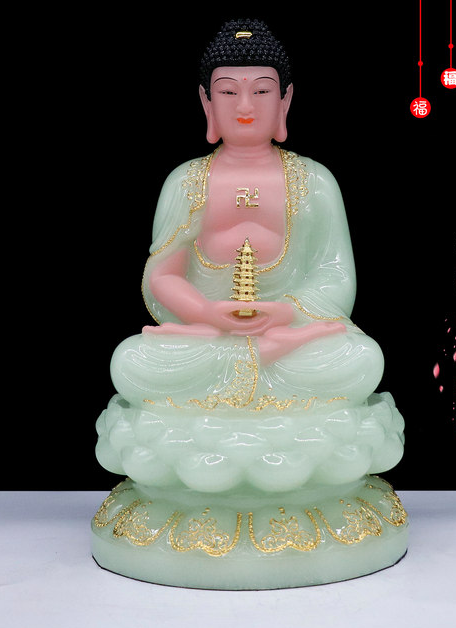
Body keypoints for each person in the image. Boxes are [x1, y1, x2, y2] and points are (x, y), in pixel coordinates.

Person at [110, 19, 386, 412]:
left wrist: (285, 314)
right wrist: (207, 313)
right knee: (130, 361)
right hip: (209, 336)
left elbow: (336, 275)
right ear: (207, 102)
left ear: (285, 100)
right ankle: (264, 354)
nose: (244, 106)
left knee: (362, 359)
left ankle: (271, 351)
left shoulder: (315, 181)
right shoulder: (185, 182)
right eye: (228, 92)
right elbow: (163, 276)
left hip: (290, 333)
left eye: (261, 91)